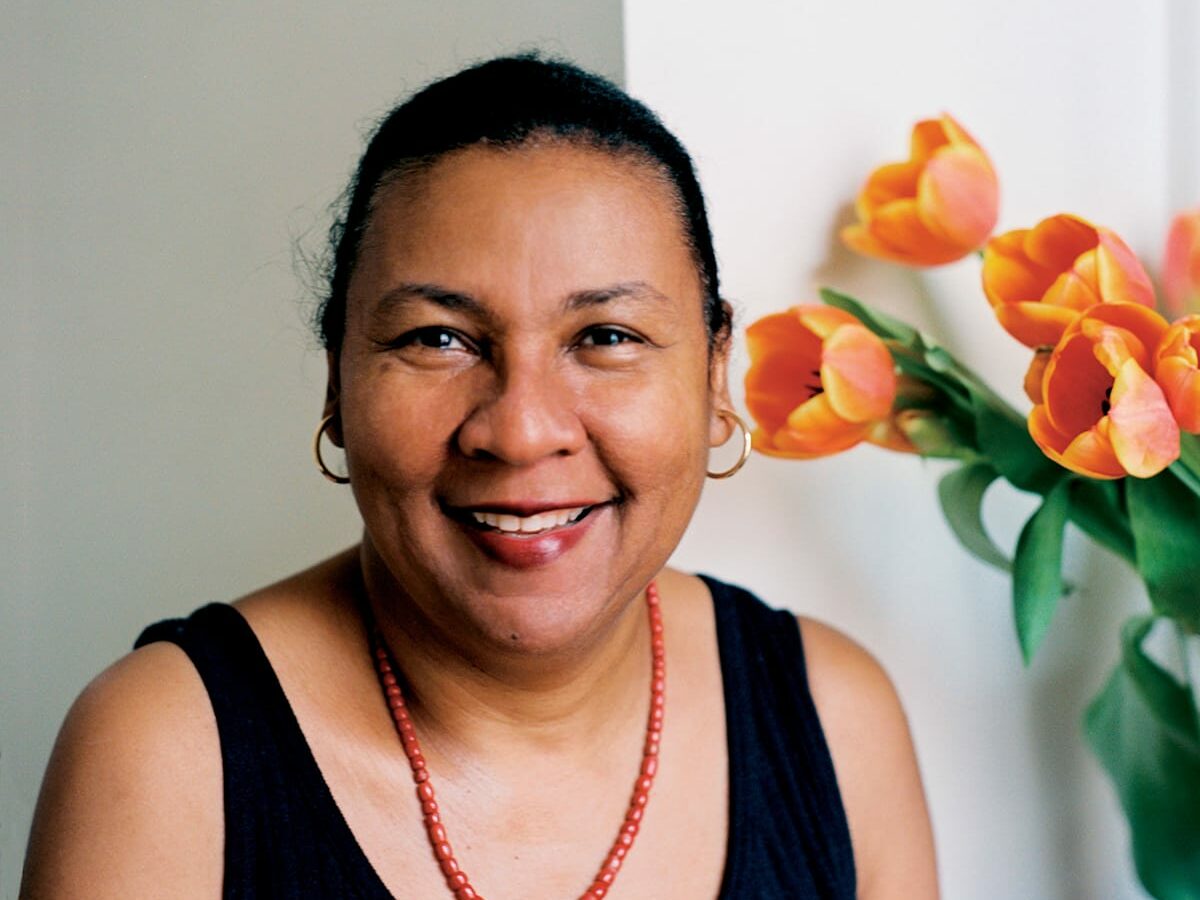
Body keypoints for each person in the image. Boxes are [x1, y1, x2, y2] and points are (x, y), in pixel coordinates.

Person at [21, 55, 938, 899]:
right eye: (438, 339)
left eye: (606, 337)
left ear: (712, 373)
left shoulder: (834, 718)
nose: (522, 430)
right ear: (338, 377)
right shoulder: (167, 751)